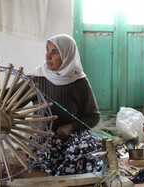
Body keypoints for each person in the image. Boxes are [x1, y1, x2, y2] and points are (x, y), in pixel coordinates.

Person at [26, 34, 102, 176]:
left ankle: (65, 179)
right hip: (44, 137)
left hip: (73, 137)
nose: (48, 56)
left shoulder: (80, 82)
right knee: (44, 156)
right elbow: (9, 96)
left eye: (55, 52)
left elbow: (93, 116)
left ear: (68, 55)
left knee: (83, 149)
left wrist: (71, 127)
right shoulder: (37, 77)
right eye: (47, 50)